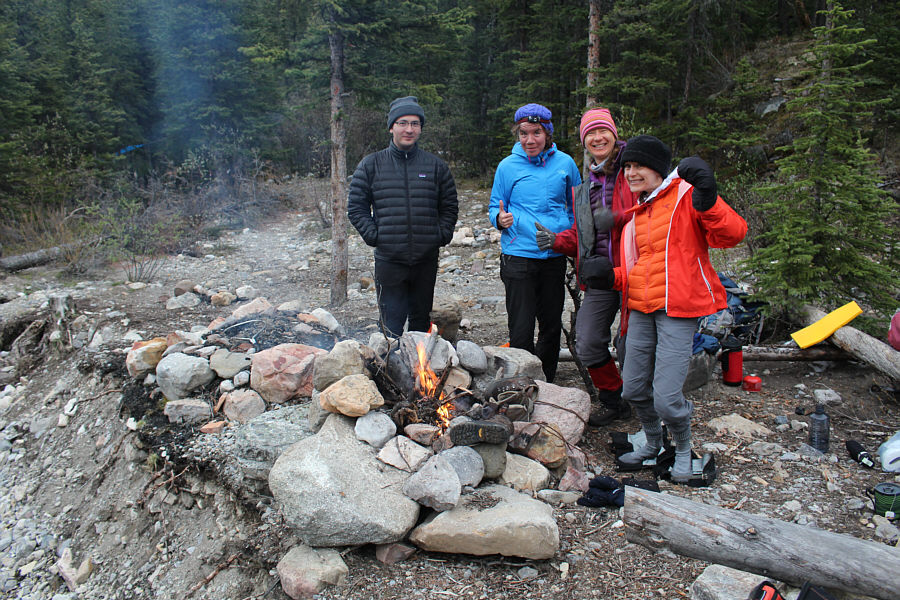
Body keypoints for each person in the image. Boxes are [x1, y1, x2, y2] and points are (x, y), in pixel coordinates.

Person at [581, 135, 747, 482]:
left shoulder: (687, 196)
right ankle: (654, 442)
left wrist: (709, 198)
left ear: (658, 168)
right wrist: (610, 277)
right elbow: (644, 267)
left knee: (667, 398)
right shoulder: (642, 208)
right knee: (633, 388)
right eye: (627, 166)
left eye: (638, 166)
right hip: (642, 306)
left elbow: (733, 235)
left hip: (678, 309)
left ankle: (684, 450)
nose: (630, 173)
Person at [534, 107, 637, 426]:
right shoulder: (586, 186)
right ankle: (614, 399)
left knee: (632, 345)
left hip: (637, 273)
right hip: (600, 275)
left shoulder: (634, 169)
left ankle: (647, 405)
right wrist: (556, 240)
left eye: (603, 130)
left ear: (614, 134)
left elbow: (652, 211)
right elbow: (583, 234)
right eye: (590, 133)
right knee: (589, 341)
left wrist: (618, 218)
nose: (597, 137)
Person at [348, 96, 458, 337]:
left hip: (425, 259)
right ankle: (391, 361)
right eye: (403, 123)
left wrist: (440, 235)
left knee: (420, 321)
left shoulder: (435, 166)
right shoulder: (371, 165)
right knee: (391, 325)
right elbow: (356, 207)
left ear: (421, 128)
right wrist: (374, 236)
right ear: (391, 127)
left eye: (415, 124)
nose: (409, 129)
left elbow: (449, 206)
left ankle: (420, 362)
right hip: (389, 259)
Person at [488, 103, 581, 382]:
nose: (529, 140)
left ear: (547, 133)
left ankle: (546, 381)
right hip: (518, 254)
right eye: (524, 133)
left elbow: (577, 207)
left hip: (553, 254)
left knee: (551, 325)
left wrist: (569, 238)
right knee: (521, 327)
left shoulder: (565, 163)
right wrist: (499, 219)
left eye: (536, 133)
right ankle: (521, 383)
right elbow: (495, 206)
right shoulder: (507, 166)